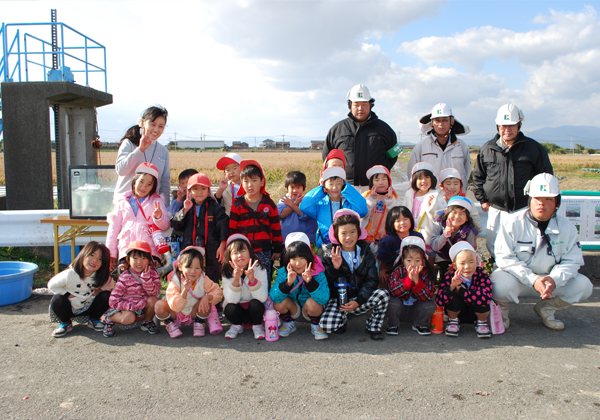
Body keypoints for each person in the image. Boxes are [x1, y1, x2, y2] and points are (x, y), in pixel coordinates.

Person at [491, 173, 593, 331]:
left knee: (584, 286)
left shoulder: (568, 228)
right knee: (497, 284)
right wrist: (532, 279)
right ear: (530, 200)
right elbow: (504, 258)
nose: (542, 204)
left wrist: (554, 279)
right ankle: (501, 312)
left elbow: (572, 262)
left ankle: (546, 308)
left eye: (549, 199)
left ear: (557, 203)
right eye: (537, 198)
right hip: (520, 280)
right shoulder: (511, 222)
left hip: (550, 283)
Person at [473, 103, 553, 257]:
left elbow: (546, 177)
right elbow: (478, 177)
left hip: (524, 208)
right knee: (494, 245)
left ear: (519, 125)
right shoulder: (487, 149)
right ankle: (498, 271)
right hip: (496, 209)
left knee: (524, 245)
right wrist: (482, 199)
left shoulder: (533, 148)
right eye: (504, 126)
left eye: (511, 126)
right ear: (497, 127)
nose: (507, 130)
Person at [320, 209, 390, 340]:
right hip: (339, 300)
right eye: (343, 233)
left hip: (359, 299)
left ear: (358, 232)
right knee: (327, 325)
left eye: (352, 232)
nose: (348, 237)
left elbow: (372, 279)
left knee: (383, 294)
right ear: (336, 234)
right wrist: (335, 269)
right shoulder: (330, 253)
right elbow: (326, 284)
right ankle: (343, 318)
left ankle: (373, 326)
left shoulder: (365, 251)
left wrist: (358, 301)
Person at [323, 84, 400, 193]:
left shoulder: (385, 129)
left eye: (364, 104)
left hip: (375, 189)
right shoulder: (337, 130)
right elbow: (327, 157)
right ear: (350, 106)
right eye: (356, 104)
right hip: (345, 188)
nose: (360, 108)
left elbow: (393, 154)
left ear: (371, 105)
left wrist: (380, 173)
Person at [107, 163, 170, 270]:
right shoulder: (122, 202)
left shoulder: (157, 202)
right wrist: (111, 252)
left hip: (149, 251)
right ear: (134, 180)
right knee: (126, 280)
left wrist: (159, 217)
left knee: (148, 281)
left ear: (154, 186)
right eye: (141, 181)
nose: (144, 187)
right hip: (126, 250)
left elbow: (165, 225)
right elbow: (113, 229)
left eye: (149, 184)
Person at [229, 160, 283, 283]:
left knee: (264, 279)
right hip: (242, 251)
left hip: (263, 251)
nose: (250, 185)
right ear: (241, 183)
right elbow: (232, 229)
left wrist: (278, 248)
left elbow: (276, 228)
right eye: (246, 181)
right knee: (243, 280)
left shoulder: (269, 204)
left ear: (262, 181)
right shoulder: (237, 205)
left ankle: (264, 302)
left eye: (254, 180)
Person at [170, 173, 228, 286]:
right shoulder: (186, 206)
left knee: (211, 279)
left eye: (203, 188)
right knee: (190, 277)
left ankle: (212, 301)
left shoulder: (215, 207)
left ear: (208, 190)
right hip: (189, 249)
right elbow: (175, 225)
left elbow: (223, 227)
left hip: (212, 251)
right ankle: (190, 300)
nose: (199, 192)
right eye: (195, 189)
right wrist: (185, 211)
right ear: (189, 191)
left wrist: (222, 246)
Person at [270, 232, 330, 340]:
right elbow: (274, 296)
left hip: (311, 310)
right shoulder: (284, 272)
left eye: (302, 258)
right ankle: (289, 323)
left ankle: (316, 325)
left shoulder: (318, 271)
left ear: (309, 257)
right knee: (279, 302)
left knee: (314, 303)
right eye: (293, 259)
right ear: (288, 259)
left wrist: (310, 282)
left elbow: (324, 298)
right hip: (294, 310)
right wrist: (287, 283)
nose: (298, 263)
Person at [154, 246, 223, 338]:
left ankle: (199, 322)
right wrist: (185, 290)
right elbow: (176, 307)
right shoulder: (175, 281)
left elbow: (218, 292)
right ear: (180, 267)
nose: (193, 271)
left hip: (194, 312)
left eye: (197, 268)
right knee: (159, 306)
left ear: (202, 268)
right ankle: (170, 324)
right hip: (176, 312)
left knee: (208, 304)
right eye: (189, 267)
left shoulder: (203, 279)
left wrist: (207, 297)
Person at [48, 242, 113, 337]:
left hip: (89, 307)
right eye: (92, 255)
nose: (95, 260)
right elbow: (52, 285)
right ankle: (65, 323)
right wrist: (68, 295)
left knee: (107, 295)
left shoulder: (102, 277)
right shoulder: (70, 274)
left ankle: (94, 319)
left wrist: (97, 291)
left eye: (100, 259)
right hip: (70, 307)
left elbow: (109, 285)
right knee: (57, 299)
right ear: (83, 254)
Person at [114, 106, 171, 204]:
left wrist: (164, 208)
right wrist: (140, 150)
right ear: (143, 123)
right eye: (153, 124)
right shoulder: (129, 143)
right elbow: (121, 170)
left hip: (150, 208)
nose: (156, 129)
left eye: (161, 126)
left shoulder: (163, 151)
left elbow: (165, 183)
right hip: (125, 205)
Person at [104, 241, 161, 337]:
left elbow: (155, 293)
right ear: (128, 260)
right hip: (127, 307)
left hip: (142, 306)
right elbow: (113, 301)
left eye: (144, 258)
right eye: (135, 258)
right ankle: (110, 319)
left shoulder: (153, 273)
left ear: (149, 260)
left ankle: (147, 322)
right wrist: (131, 306)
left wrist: (146, 280)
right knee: (128, 319)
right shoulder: (124, 277)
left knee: (154, 300)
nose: (139, 262)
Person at [300, 166, 368, 248]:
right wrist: (320, 191)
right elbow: (304, 206)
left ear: (344, 185)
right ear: (324, 185)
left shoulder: (348, 204)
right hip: (325, 244)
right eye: (330, 184)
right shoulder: (320, 204)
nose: (335, 187)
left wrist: (348, 190)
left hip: (346, 243)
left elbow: (363, 210)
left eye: (339, 183)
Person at [436, 242, 493, 338]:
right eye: (462, 263)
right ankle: (453, 321)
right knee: (453, 299)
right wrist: (452, 287)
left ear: (477, 261)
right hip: (457, 313)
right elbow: (439, 301)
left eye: (471, 262)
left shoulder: (482, 275)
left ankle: (482, 323)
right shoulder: (450, 277)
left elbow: (485, 298)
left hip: (476, 313)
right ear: (454, 266)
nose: (467, 267)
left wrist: (462, 292)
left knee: (483, 301)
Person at [221, 234, 269, 339]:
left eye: (243, 251)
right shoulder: (227, 272)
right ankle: (237, 325)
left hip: (254, 309)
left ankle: (257, 325)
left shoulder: (259, 268)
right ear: (229, 256)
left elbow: (262, 298)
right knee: (229, 308)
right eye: (235, 253)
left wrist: (252, 279)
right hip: (237, 307)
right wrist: (236, 280)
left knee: (256, 304)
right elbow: (231, 300)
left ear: (250, 253)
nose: (240, 255)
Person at [408, 103, 471, 182]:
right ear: (432, 122)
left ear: (452, 121)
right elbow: (412, 175)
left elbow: (466, 174)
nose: (441, 124)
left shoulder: (462, 146)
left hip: (454, 194)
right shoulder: (421, 147)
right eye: (437, 120)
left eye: (445, 120)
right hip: (431, 194)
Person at [386, 236, 436, 336]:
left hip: (416, 309)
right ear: (402, 260)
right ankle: (393, 324)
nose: (413, 264)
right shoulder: (398, 271)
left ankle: (420, 323)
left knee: (430, 305)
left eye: (418, 260)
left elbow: (428, 296)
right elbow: (393, 291)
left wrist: (417, 282)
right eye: (409, 260)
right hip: (400, 309)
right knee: (392, 302)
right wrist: (408, 281)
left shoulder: (426, 273)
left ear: (423, 261)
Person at [430, 196, 478, 278]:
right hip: (442, 256)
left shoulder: (468, 230)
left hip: (461, 258)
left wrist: (454, 266)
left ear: (467, 218)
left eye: (462, 214)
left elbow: (470, 251)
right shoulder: (439, 224)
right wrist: (444, 235)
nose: (457, 217)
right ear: (446, 212)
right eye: (454, 212)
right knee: (446, 273)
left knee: (465, 272)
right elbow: (434, 246)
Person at [403, 162, 446, 253]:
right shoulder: (409, 195)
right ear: (414, 180)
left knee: (428, 265)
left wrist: (432, 207)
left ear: (432, 179)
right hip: (411, 238)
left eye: (427, 177)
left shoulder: (436, 196)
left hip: (428, 239)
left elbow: (441, 217)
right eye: (420, 178)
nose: (424, 181)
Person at [377, 206, 424, 286]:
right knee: (383, 280)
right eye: (398, 221)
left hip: (413, 266)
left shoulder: (417, 237)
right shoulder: (388, 240)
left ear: (411, 220)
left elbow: (422, 256)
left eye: (405, 219)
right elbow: (383, 258)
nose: (402, 223)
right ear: (391, 223)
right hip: (391, 268)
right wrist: (382, 270)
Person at [361, 165, 402, 247]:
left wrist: (390, 201)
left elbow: (397, 214)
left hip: (386, 234)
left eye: (384, 179)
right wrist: (371, 200)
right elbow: (363, 214)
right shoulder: (366, 195)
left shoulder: (394, 197)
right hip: (368, 233)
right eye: (377, 180)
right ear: (371, 182)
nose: (381, 182)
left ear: (389, 181)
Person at [277, 171, 318, 244]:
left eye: (298, 187)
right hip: (288, 237)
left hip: (306, 237)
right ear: (287, 188)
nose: (295, 190)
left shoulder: (306, 200)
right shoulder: (284, 200)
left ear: (304, 188)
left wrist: (292, 204)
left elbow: (305, 215)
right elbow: (281, 214)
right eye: (292, 187)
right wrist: (295, 204)